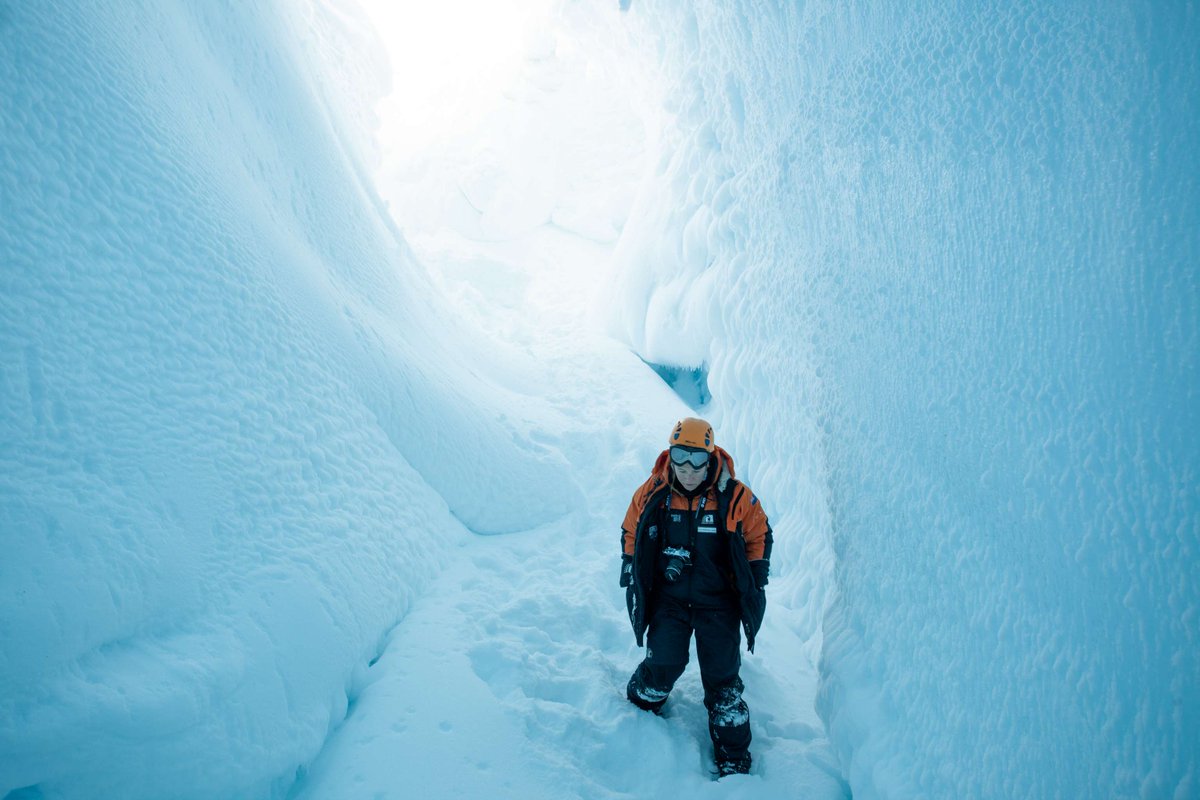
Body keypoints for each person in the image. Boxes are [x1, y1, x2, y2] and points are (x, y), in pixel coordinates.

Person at [619, 417, 773, 777]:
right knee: (663, 666)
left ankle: (733, 759)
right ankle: (637, 714)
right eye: (679, 457)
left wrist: (757, 573)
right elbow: (631, 527)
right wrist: (629, 562)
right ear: (669, 455)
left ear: (711, 456)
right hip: (669, 603)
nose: (688, 470)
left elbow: (759, 532)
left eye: (697, 460)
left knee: (722, 682)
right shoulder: (653, 492)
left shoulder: (733, 496)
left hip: (717, 604)